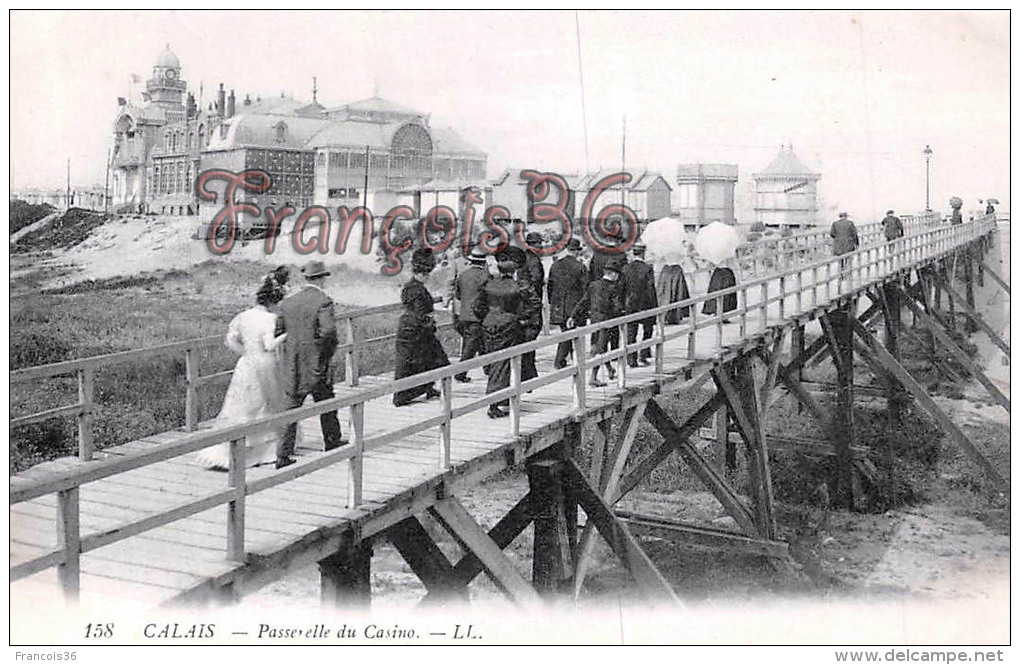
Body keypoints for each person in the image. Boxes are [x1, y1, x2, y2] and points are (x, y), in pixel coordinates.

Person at [196, 277, 288, 470]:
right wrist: (287, 335)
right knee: (267, 403)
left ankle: (232, 449)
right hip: (266, 364)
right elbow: (270, 345)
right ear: (274, 300)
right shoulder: (270, 319)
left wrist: (245, 352)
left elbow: (230, 339)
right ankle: (265, 451)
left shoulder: (243, 316)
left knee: (242, 405)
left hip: (246, 364)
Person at [276, 260, 345, 469]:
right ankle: (332, 441)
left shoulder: (288, 303)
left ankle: (282, 454)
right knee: (326, 401)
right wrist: (323, 356)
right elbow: (329, 333)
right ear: (322, 278)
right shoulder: (323, 301)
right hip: (316, 365)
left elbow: (278, 332)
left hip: (293, 366)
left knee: (291, 408)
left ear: (306, 279)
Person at [474, 258, 535, 419]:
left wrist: (486, 318)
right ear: (513, 272)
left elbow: (477, 307)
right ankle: (495, 402)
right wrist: (523, 318)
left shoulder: (489, 285)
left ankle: (501, 398)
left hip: (489, 327)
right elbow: (534, 304)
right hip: (509, 327)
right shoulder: (518, 287)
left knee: (495, 362)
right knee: (505, 364)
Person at [394, 248, 451, 406]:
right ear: (422, 273)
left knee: (415, 363)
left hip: (408, 329)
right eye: (427, 274)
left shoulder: (409, 286)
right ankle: (405, 394)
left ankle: (425, 388)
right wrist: (430, 322)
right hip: (417, 332)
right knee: (436, 360)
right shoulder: (418, 290)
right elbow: (419, 315)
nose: (427, 277)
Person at [570, 258, 625, 387]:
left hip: (595, 321)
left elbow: (584, 301)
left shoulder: (593, 285)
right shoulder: (614, 287)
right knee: (601, 349)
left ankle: (609, 368)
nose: (618, 277)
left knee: (598, 345)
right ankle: (593, 377)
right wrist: (622, 313)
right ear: (613, 274)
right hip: (608, 322)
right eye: (617, 274)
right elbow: (616, 307)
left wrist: (573, 316)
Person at [546, 238, 588, 368]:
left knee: (566, 331)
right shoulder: (580, 267)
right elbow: (586, 290)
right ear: (576, 251)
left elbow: (550, 287)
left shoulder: (555, 265)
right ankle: (559, 360)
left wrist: (552, 303)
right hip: (574, 306)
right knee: (569, 333)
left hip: (558, 305)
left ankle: (567, 358)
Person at [451, 245, 489, 382]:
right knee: (471, 346)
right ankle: (460, 373)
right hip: (479, 317)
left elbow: (458, 295)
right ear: (483, 262)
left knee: (476, 342)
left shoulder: (463, 275)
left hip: (464, 315)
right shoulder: (485, 276)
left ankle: (488, 368)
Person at [622, 242, 658, 367]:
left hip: (630, 304)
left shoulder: (626, 268)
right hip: (645, 304)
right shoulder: (647, 268)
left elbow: (622, 288)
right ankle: (643, 355)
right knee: (647, 330)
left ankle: (631, 359)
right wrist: (655, 306)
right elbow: (650, 289)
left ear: (633, 252)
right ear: (643, 253)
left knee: (631, 332)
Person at [656, 258, 691, 324]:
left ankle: (667, 316)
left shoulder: (662, 251)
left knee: (666, 294)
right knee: (677, 293)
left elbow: (658, 263)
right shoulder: (680, 249)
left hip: (666, 270)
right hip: (676, 269)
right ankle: (675, 316)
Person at [830, 211, 859, 288]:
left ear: (840, 217)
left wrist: (838, 238)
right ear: (846, 217)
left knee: (840, 260)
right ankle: (847, 274)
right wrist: (856, 243)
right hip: (848, 244)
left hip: (838, 245)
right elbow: (854, 234)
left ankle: (841, 274)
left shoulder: (835, 224)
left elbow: (832, 234)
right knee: (848, 259)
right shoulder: (850, 223)